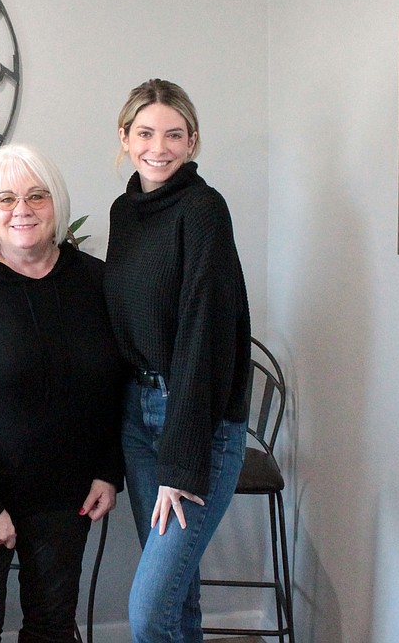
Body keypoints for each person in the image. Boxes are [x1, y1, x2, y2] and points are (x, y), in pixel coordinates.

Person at [0, 145, 127, 643]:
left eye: (37, 196)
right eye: (5, 198)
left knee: (53, 626)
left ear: (57, 202)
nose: (22, 209)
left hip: (67, 493)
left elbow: (121, 383)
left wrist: (109, 470)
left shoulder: (96, 281)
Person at [103, 79, 252, 643]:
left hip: (197, 423)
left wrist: (182, 464)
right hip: (139, 419)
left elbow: (205, 339)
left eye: (173, 134)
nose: (157, 147)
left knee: (149, 611)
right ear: (124, 137)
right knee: (178, 597)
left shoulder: (204, 210)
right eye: (145, 133)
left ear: (192, 142)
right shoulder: (125, 212)